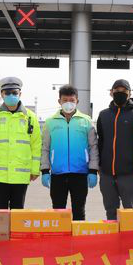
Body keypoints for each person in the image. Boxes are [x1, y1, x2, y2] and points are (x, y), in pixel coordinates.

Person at [40, 84, 99, 221]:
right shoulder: (50, 122)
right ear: (59, 101)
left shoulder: (86, 121)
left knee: (79, 211)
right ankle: (60, 241)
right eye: (65, 100)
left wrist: (93, 170)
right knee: (58, 212)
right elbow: (45, 147)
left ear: (77, 101)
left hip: (80, 174)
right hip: (57, 174)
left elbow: (93, 147)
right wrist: (44, 170)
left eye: (72, 100)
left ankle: (78, 241)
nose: (68, 103)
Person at [0, 77, 41, 209]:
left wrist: (35, 169)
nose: (11, 95)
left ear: (20, 93)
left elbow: (36, 145)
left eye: (14, 92)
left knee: (18, 214)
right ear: (2, 94)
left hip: (21, 175)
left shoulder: (30, 117)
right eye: (7, 93)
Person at [96, 79, 133, 220]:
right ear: (111, 93)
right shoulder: (103, 115)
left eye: (124, 91)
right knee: (110, 212)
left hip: (128, 173)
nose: (120, 93)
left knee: (130, 212)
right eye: (117, 91)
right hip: (106, 173)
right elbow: (101, 141)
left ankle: (130, 241)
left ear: (129, 94)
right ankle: (113, 241)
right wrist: (98, 165)